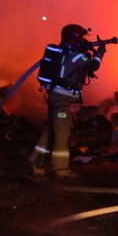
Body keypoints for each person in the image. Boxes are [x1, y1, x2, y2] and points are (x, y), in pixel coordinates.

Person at [29, 23, 105, 178]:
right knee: (62, 134)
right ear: (75, 38)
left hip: (58, 100)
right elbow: (93, 65)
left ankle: (35, 163)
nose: (83, 40)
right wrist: (100, 52)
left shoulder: (64, 53)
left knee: (51, 131)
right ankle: (61, 168)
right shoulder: (75, 55)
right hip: (62, 103)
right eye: (81, 38)